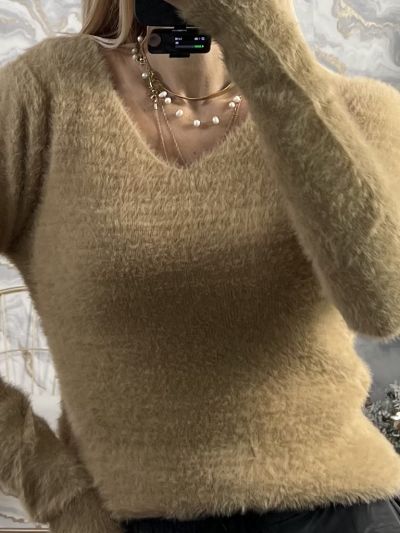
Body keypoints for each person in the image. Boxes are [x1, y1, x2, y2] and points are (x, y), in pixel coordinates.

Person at [1, 0, 400, 531]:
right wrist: (59, 495)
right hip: (133, 518)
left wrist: (264, 45)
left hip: (341, 510)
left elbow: (382, 306)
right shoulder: (45, 96)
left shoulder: (357, 111)